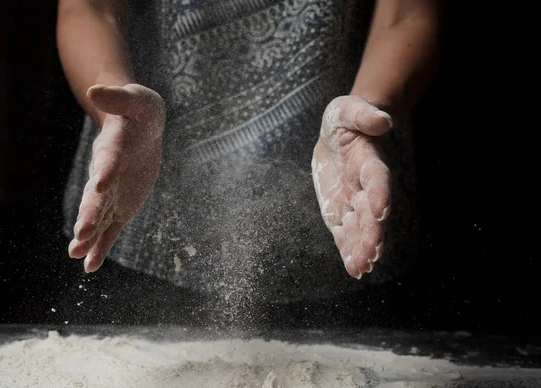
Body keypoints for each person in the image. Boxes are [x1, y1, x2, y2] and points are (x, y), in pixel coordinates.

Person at [56, 0, 442, 322]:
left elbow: (406, 15)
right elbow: (89, 9)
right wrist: (117, 109)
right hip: (142, 198)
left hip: (346, 198)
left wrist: (368, 110)